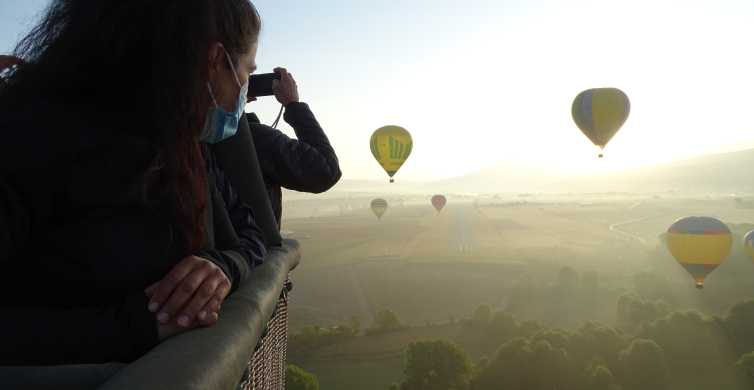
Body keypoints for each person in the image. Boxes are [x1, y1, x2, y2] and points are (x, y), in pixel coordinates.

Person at [0, 0, 266, 364]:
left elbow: (250, 231)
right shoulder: (29, 141)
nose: (244, 92)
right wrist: (136, 326)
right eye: (247, 72)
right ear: (213, 61)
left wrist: (223, 268)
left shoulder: (184, 148)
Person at [246, 69, 342, 226]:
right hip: (253, 248)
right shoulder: (254, 138)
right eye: (245, 71)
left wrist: (232, 102)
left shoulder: (198, 131)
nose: (247, 81)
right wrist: (293, 105)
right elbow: (327, 171)